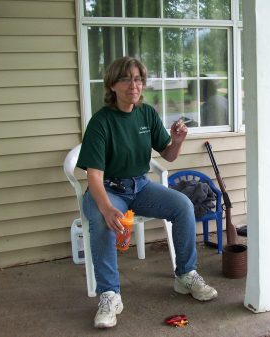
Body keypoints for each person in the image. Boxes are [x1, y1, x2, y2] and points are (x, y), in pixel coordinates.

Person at [77, 56, 218, 329]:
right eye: (126, 79)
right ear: (112, 85)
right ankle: (110, 294)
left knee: (183, 206)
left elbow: (167, 155)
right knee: (101, 221)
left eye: (138, 79)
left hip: (140, 186)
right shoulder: (101, 122)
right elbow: (93, 174)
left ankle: (185, 275)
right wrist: (106, 208)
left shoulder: (147, 114)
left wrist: (177, 141)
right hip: (108, 190)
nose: (134, 85)